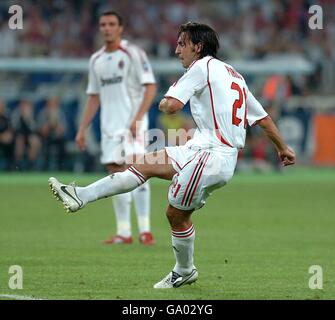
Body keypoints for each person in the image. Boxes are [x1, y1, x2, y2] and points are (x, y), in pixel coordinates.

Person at [49, 22, 295, 288]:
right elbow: (262, 118)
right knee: (144, 164)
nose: (177, 50)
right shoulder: (234, 74)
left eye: (181, 44)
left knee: (175, 214)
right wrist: (284, 147)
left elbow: (172, 106)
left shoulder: (200, 67)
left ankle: (184, 270)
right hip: (202, 148)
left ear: (197, 47)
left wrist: (164, 101)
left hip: (212, 156)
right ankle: (81, 196)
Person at [75, 11, 157, 245]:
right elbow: (93, 96)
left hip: (133, 125)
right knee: (115, 174)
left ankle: (145, 229)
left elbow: (150, 87)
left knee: (136, 171)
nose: (107, 28)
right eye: (103, 24)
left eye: (112, 24)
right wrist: (82, 129)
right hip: (109, 127)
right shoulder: (96, 60)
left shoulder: (133, 53)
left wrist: (138, 118)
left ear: (120, 28)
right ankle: (124, 232)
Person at [38, 97, 67, 171]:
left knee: (62, 142)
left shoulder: (60, 113)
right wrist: (50, 121)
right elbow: (42, 131)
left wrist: (56, 123)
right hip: (46, 137)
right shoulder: (43, 114)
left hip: (57, 137)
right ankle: (44, 168)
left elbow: (63, 130)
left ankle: (61, 167)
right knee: (46, 144)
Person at [11, 99, 41, 170]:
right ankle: (17, 165)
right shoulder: (16, 113)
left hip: (29, 135)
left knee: (35, 142)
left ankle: (31, 165)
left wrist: (28, 119)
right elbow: (14, 127)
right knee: (19, 141)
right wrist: (22, 118)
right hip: (18, 135)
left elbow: (34, 129)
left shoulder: (33, 113)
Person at [0, 100, 14, 170]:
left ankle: (11, 165)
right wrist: (1, 137)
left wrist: (9, 135)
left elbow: (10, 128)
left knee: (13, 141)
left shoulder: (6, 116)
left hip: (6, 139)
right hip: (2, 138)